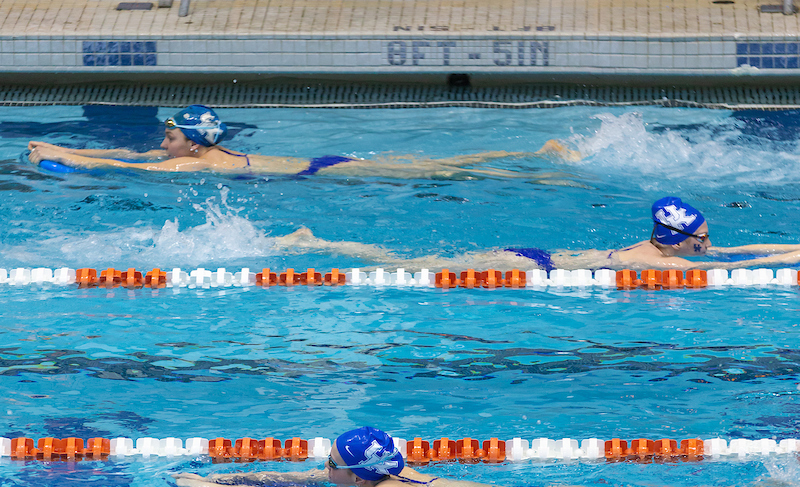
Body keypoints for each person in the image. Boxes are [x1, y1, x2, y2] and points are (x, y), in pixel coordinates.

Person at [173, 426, 794, 487]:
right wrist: (226, 474)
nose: (321, 468)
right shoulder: (401, 473)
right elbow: (312, 480)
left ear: (355, 473)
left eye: (331, 461)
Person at [263, 195, 800, 273]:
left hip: (539, 256)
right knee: (407, 267)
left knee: (412, 258)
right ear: (683, 240)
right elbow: (731, 268)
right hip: (527, 265)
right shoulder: (659, 264)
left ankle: (319, 241)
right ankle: (315, 245)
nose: (711, 241)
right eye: (704, 236)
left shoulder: (664, 248)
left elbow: (745, 250)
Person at [27, 104, 549, 181]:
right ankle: (530, 159)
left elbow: (132, 170)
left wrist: (59, 153)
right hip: (320, 165)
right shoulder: (200, 153)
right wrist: (62, 153)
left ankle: (536, 166)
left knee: (439, 170)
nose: (160, 140)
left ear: (189, 143)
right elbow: (124, 155)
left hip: (323, 172)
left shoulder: (195, 168)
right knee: (439, 164)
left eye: (168, 134)